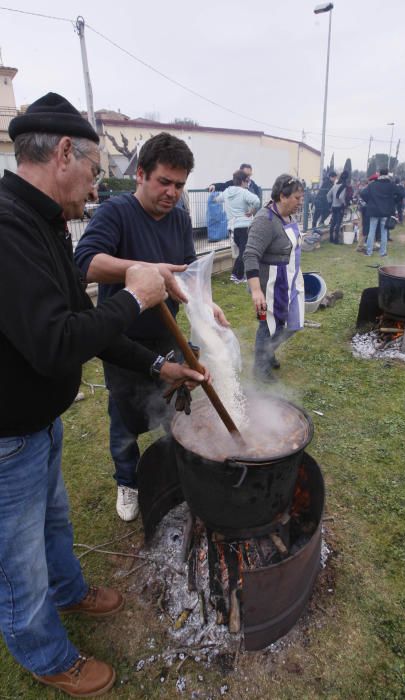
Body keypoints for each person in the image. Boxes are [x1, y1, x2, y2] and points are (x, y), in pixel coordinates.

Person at [0, 93, 207, 697]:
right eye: (94, 170)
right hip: (6, 433)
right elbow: (56, 344)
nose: (95, 185)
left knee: (55, 523)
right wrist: (137, 297)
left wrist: (157, 365)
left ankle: (71, 592)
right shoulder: (8, 229)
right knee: (18, 562)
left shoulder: (43, 223)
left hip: (37, 423)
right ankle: (44, 653)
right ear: (65, 152)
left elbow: (86, 327)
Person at [75, 132, 228, 522]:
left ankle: (173, 470)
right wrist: (140, 269)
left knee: (174, 411)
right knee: (125, 419)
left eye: (179, 185)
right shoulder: (116, 213)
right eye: (164, 182)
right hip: (121, 340)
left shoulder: (178, 218)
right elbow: (84, 262)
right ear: (141, 174)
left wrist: (206, 303)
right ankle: (127, 481)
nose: (173, 193)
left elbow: (188, 274)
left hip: (168, 335)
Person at [244, 174, 305, 383]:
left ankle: (268, 351)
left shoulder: (288, 217)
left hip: (289, 283)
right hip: (265, 288)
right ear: (283, 196)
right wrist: (256, 291)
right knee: (266, 326)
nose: (300, 202)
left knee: (293, 324)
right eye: (297, 198)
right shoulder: (264, 220)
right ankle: (260, 369)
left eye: (301, 197)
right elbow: (250, 254)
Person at [213, 168, 260, 283]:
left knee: (240, 252)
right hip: (244, 226)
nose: (248, 184)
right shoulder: (244, 192)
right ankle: (236, 275)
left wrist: (212, 192)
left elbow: (216, 199)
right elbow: (257, 201)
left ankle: (240, 275)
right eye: (247, 181)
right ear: (243, 181)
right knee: (245, 252)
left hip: (232, 227)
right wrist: (252, 211)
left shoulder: (227, 192)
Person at [359, 167, 398, 257]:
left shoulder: (373, 185)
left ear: (379, 174)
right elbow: (400, 194)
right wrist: (393, 202)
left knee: (371, 231)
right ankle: (383, 253)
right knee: (384, 232)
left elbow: (363, 193)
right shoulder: (391, 185)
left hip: (374, 211)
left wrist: (370, 201)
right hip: (385, 212)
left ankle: (369, 252)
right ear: (387, 174)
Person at [327, 170, 349, 244]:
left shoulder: (335, 185)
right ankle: (336, 240)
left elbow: (328, 195)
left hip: (333, 206)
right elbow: (340, 197)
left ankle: (331, 238)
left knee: (333, 223)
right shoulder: (344, 186)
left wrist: (330, 204)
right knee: (338, 223)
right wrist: (344, 203)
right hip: (340, 207)